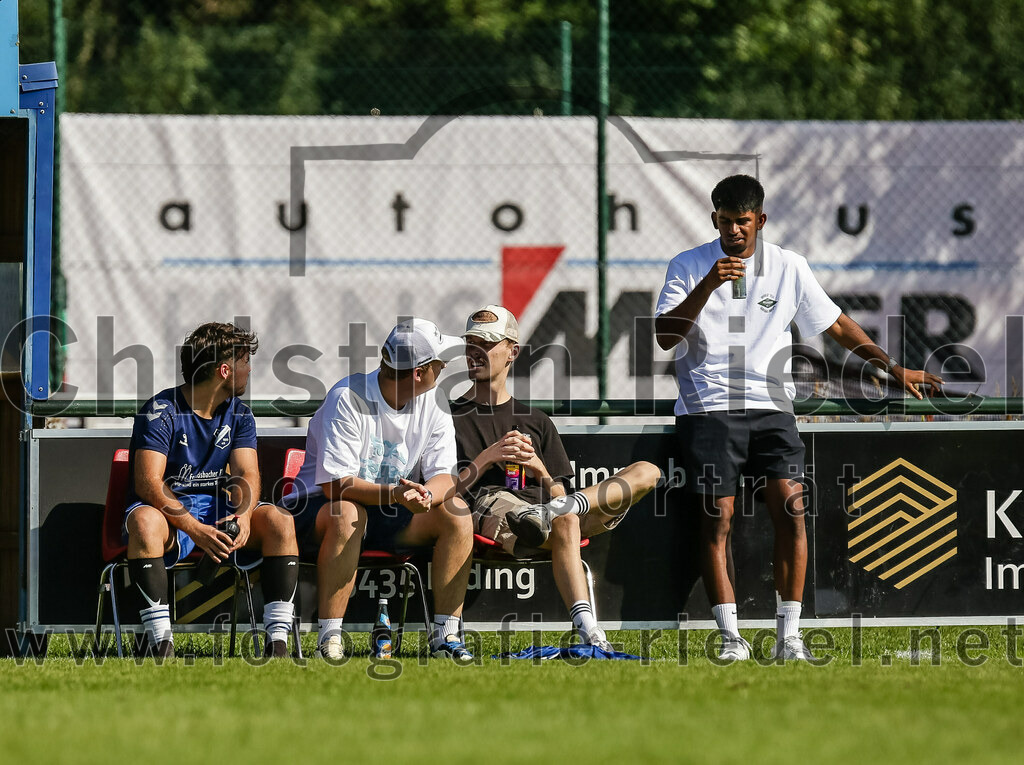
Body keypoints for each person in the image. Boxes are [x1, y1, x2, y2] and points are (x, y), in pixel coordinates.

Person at [654, 174, 944, 662]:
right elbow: (665, 337)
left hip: (772, 407)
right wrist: (709, 283)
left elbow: (836, 325)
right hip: (708, 408)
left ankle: (790, 637)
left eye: (742, 223)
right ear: (714, 220)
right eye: (724, 223)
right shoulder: (687, 265)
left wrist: (892, 370)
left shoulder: (789, 266)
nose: (734, 233)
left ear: (760, 220)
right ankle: (732, 639)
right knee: (717, 518)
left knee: (792, 509)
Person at [451, 305, 661, 650]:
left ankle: (550, 516)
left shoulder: (536, 420)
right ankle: (589, 629)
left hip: (552, 509)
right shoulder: (451, 416)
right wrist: (489, 457)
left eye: (486, 344)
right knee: (563, 522)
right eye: (470, 343)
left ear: (511, 352)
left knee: (647, 472)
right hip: (493, 509)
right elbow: (443, 492)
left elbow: (557, 488)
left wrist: (539, 468)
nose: (475, 352)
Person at [283, 318, 475, 660]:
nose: (445, 368)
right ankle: (330, 639)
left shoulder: (435, 403)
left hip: (389, 512)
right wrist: (396, 495)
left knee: (456, 513)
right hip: (316, 513)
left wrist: (427, 495)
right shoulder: (348, 397)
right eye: (440, 363)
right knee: (348, 512)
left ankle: (446, 638)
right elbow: (334, 485)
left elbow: (444, 476)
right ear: (419, 372)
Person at [125, 322, 299, 659]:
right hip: (170, 514)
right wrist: (194, 528)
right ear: (224, 370)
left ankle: (278, 644)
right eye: (245, 362)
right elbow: (148, 483)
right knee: (144, 523)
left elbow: (247, 473)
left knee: (280, 521)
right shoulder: (162, 411)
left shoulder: (240, 415)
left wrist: (245, 516)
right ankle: (161, 645)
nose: (249, 370)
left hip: (217, 511)